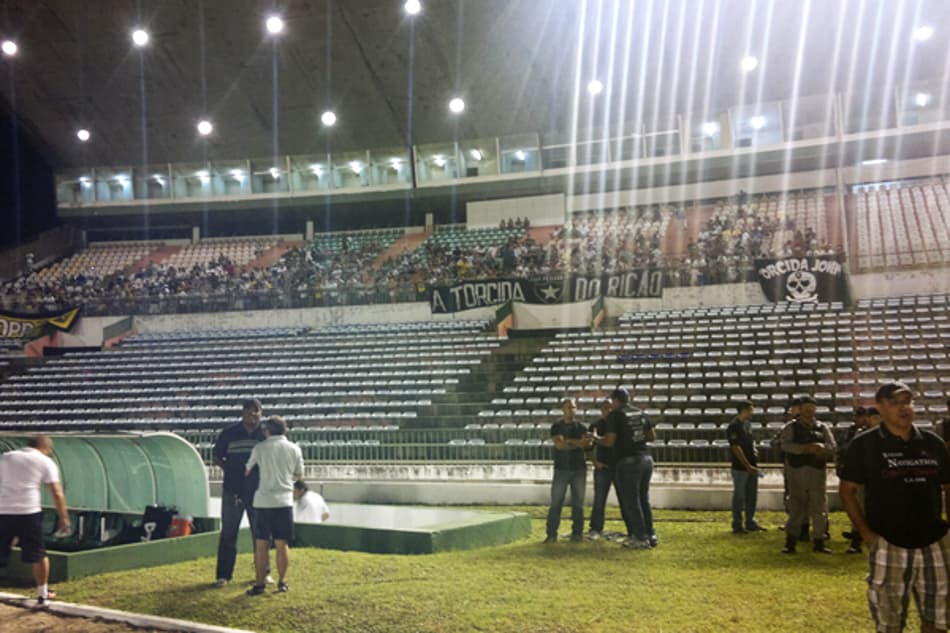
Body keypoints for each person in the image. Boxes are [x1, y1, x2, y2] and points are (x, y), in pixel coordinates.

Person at [840, 381, 950, 633]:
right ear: (879, 407)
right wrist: (867, 534)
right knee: (889, 622)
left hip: (935, 541)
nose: (904, 408)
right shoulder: (865, 444)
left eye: (908, 402)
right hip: (889, 542)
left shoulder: (932, 443)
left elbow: (948, 487)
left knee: (938, 619)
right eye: (895, 402)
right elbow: (847, 491)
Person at [0, 435, 70, 605]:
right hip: (28, 512)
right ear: (45, 448)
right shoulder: (45, 462)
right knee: (38, 554)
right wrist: (64, 517)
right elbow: (57, 493)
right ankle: (43, 595)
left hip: (3, 511)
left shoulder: (6, 457)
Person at [245, 416, 304, 595]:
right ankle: (282, 581)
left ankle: (260, 583)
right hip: (284, 500)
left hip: (263, 501)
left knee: (261, 544)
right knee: (282, 543)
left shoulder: (260, 448)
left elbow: (248, 470)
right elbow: (299, 475)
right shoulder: (294, 449)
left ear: (266, 430)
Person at [213, 398, 267, 588]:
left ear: (261, 413)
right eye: (249, 411)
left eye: (256, 411)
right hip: (232, 490)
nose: (253, 415)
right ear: (243, 412)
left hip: (259, 491)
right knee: (228, 533)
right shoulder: (229, 433)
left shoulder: (266, 433)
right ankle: (223, 575)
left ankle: (263, 573)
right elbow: (217, 457)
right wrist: (232, 471)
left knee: (260, 533)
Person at [778, 395, 836, 554]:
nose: (809, 409)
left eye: (812, 406)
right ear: (800, 408)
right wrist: (804, 448)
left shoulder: (822, 427)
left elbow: (832, 446)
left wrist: (821, 448)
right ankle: (790, 542)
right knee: (797, 506)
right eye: (806, 406)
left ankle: (819, 541)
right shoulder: (791, 427)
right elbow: (784, 445)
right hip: (797, 471)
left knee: (819, 506)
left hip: (817, 471)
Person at [607, 387, 657, 550]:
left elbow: (610, 441)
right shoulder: (640, 413)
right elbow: (651, 437)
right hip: (646, 459)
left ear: (615, 401)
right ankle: (650, 534)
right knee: (643, 499)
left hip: (628, 461)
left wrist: (595, 438)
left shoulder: (615, 415)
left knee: (631, 501)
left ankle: (639, 537)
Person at [544, 398, 591, 544]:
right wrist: (577, 443)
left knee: (578, 504)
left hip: (578, 469)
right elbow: (560, 446)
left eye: (574, 407)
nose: (572, 410)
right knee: (556, 503)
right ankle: (551, 534)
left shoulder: (582, 427)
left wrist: (570, 441)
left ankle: (577, 534)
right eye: (569, 407)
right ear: (563, 409)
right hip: (561, 469)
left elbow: (586, 444)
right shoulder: (557, 426)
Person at [727, 401, 765, 534]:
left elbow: (750, 441)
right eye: (750, 410)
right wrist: (747, 465)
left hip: (752, 466)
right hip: (740, 468)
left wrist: (754, 451)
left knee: (751, 495)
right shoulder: (733, 426)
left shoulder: (748, 425)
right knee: (739, 497)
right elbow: (735, 447)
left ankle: (750, 521)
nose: (752, 412)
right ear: (743, 410)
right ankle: (737, 524)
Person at [837, 406, 871, 553]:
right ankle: (856, 537)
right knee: (857, 504)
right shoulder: (850, 432)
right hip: (855, 474)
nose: (859, 419)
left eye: (862, 416)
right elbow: (841, 449)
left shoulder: (873, 433)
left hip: (869, 474)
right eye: (857, 416)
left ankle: (858, 537)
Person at [587, 398, 617, 540]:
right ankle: (595, 529)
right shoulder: (595, 425)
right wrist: (595, 462)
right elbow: (588, 448)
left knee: (627, 501)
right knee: (599, 500)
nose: (608, 411)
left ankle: (633, 531)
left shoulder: (620, 424)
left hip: (620, 468)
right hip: (602, 468)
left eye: (610, 408)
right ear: (601, 410)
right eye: (605, 408)